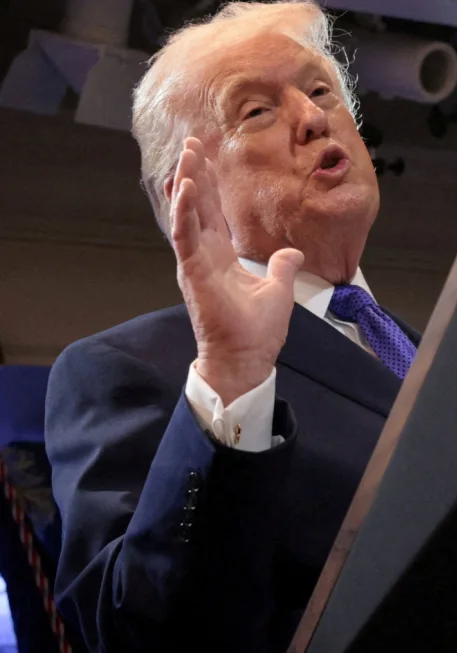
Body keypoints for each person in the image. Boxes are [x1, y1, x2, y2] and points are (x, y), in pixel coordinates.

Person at [43, 2, 419, 651]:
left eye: (320, 89)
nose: (311, 118)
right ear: (181, 190)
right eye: (255, 111)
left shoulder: (433, 346)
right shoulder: (128, 369)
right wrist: (234, 379)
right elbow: (137, 634)